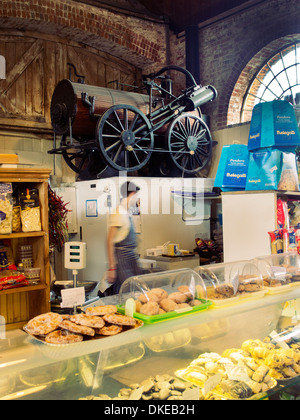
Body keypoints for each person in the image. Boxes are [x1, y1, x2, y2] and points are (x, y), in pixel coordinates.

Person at [106, 181, 142, 295]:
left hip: (131, 257)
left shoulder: (126, 212)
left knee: (137, 291)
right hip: (122, 260)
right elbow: (109, 241)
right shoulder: (118, 213)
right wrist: (112, 268)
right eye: (136, 196)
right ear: (131, 194)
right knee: (126, 293)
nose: (137, 199)